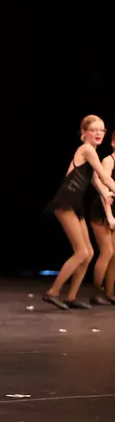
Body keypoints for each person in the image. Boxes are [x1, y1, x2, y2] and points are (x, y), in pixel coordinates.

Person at [42, 115, 115, 309]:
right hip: (66, 201)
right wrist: (110, 188)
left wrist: (106, 195)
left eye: (102, 130)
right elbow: (105, 177)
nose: (99, 133)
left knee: (89, 252)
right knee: (81, 251)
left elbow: (98, 183)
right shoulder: (86, 150)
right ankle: (53, 291)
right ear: (84, 133)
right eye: (94, 130)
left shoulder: (92, 155)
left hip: (76, 204)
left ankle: (71, 296)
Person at [88, 130, 115, 304]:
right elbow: (104, 190)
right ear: (113, 143)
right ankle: (96, 292)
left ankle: (110, 292)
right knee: (107, 252)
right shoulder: (108, 160)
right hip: (102, 209)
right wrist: (109, 215)